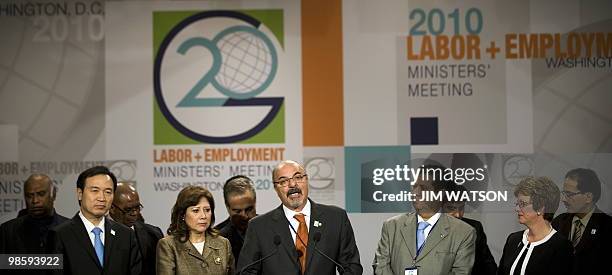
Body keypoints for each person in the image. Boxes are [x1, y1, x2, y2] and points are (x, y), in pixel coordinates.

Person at [237, 160, 362, 274]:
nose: (292, 184)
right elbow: (246, 272)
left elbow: (351, 267)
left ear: (306, 180)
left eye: (298, 177)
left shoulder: (336, 218)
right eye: (283, 181)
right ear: (276, 188)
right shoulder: (259, 226)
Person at [373, 165, 476, 275]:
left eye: (423, 188)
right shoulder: (392, 226)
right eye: (414, 186)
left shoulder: (464, 232)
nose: (415, 193)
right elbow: (380, 266)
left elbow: (461, 272)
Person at [48, 166, 142, 275]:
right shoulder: (60, 235)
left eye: (108, 192)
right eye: (95, 190)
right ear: (80, 194)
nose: (101, 198)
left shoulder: (126, 235)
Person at [498, 176, 573, 275]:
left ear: (541, 208)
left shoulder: (561, 246)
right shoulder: (513, 239)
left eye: (523, 204)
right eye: (517, 203)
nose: (517, 209)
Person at [156, 186, 234, 275]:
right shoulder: (169, 246)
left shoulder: (223, 244)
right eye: (196, 211)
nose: (203, 216)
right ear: (183, 214)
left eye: (207, 210)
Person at [552, 168, 612, 275]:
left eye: (569, 194)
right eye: (564, 193)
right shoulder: (558, 222)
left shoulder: (607, 226)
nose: (564, 200)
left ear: (588, 197)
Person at [0, 174, 69, 254]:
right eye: (29, 196)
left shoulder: (70, 230)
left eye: (41, 194)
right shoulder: (7, 231)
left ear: (53, 194)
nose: (35, 200)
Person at [109, 182, 164, 275]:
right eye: (128, 210)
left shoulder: (153, 234)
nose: (134, 213)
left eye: (137, 207)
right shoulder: (99, 234)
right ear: (112, 208)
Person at [442, 183, 497, 275]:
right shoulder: (426, 229)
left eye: (461, 208)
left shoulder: (475, 227)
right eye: (451, 208)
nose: (457, 214)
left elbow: (488, 264)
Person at [214, 175, 257, 262]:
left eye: (249, 209)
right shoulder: (216, 238)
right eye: (237, 211)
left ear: (255, 202)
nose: (244, 216)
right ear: (227, 207)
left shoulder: (270, 228)